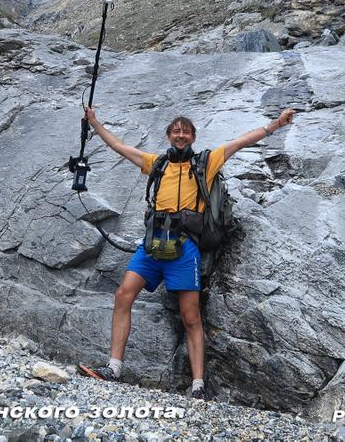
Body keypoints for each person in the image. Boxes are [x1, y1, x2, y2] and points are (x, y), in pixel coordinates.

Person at [78, 105, 296, 399]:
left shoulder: (207, 163)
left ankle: (198, 385)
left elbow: (242, 141)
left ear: (193, 137)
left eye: (186, 131)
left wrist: (276, 124)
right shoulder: (155, 164)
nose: (181, 135)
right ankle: (114, 368)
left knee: (190, 316)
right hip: (153, 244)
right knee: (123, 295)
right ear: (169, 135)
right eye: (176, 131)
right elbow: (118, 146)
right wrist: (94, 122)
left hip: (184, 248)